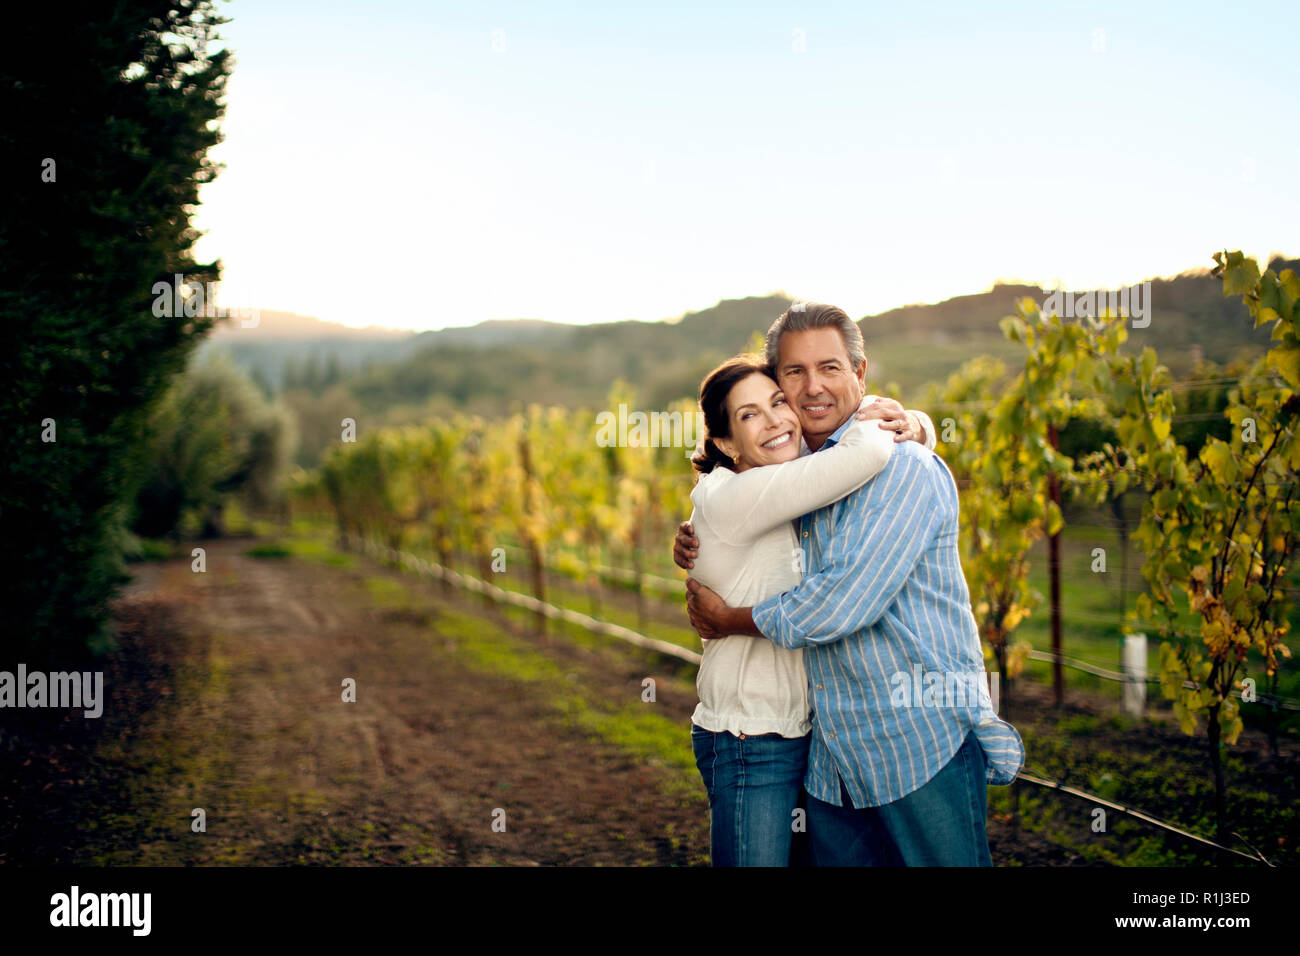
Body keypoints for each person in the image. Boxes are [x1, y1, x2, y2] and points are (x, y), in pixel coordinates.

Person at [677, 302, 1024, 866]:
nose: (813, 387)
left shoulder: (903, 467)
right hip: (832, 752)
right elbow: (736, 516)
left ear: (861, 376)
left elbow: (840, 605)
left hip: (918, 738)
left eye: (831, 368)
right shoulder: (796, 475)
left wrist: (730, 620)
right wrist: (696, 535)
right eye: (794, 373)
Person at [683, 348, 935, 867]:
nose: (775, 420)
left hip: (808, 733)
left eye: (778, 402)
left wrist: (919, 426)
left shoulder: (790, 484)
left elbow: (848, 468)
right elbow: (861, 456)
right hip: (749, 736)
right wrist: (880, 412)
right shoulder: (734, 495)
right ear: (725, 442)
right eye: (749, 414)